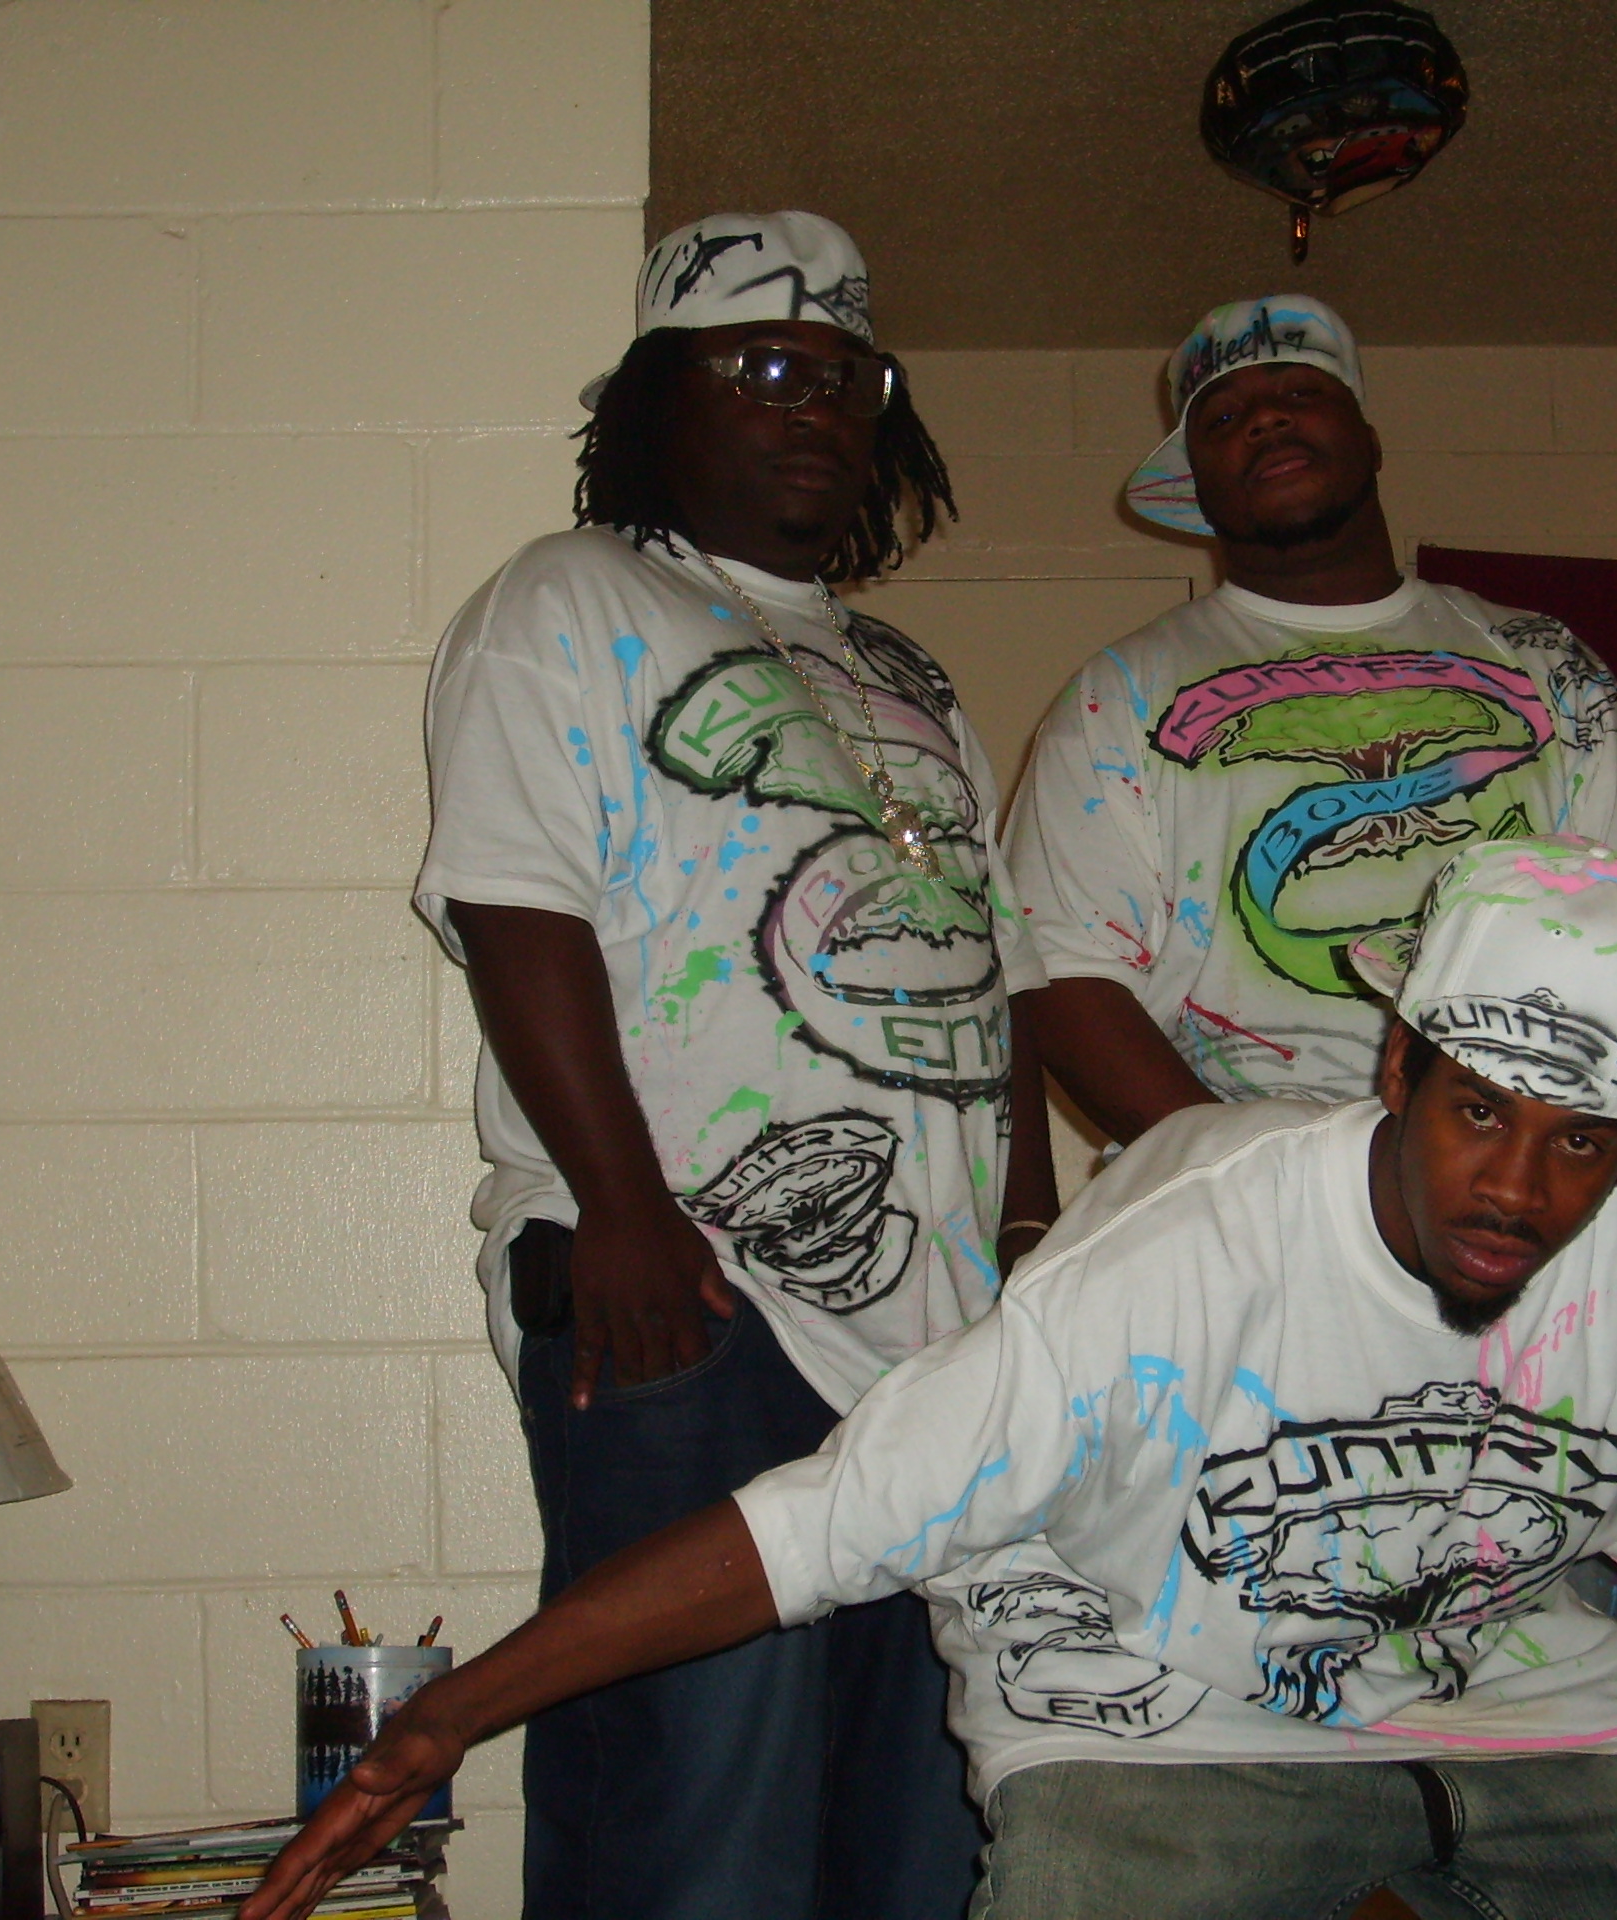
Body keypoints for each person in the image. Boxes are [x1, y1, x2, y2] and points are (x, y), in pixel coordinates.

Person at [253, 836, 1617, 1920]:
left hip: (1497, 1681)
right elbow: (813, 1526)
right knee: (1080, 1891)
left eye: (1583, 1147)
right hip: (1149, 1700)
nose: (1519, 1191)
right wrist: (448, 1713)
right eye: (1482, 1117)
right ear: (1396, 1064)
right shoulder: (1188, 1247)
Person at [414, 208, 1054, 1920]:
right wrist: (620, 1209)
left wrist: (1029, 1251)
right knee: (695, 1841)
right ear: (655, 397)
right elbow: (518, 908)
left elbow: (996, 972)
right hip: (694, 1307)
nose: (814, 405)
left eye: (847, 376)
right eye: (762, 366)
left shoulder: (904, 671)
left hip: (937, 1355)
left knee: (925, 1843)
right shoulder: (567, 598)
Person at [1006, 295, 1617, 1142]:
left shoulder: (1546, 663)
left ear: (1370, 440)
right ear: (1198, 487)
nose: (1266, 420)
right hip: (1240, 1184)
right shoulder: (1115, 696)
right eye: (1223, 419)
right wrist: (1246, 1178)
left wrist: (1540, 1157)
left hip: (1522, 1169)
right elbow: (1064, 974)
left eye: (1301, 393)